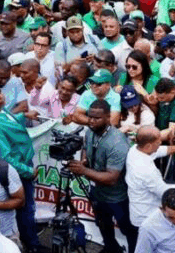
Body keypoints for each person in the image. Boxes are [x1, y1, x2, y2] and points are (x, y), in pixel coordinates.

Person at [0, 82, 40, 251]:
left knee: (26, 209)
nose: (1, 97)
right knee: (26, 210)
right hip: (19, 171)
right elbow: (6, 160)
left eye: (0, 92)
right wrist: (28, 172)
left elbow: (7, 119)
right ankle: (31, 245)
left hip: (22, 163)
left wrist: (24, 115)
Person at [66, 99, 138, 253]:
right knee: (103, 224)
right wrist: (84, 161)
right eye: (90, 116)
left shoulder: (117, 142)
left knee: (128, 229)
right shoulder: (90, 131)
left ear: (108, 118)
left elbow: (112, 179)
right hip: (98, 193)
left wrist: (83, 171)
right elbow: (86, 147)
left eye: (96, 118)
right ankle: (111, 248)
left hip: (118, 197)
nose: (91, 121)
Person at [125, 126, 175, 236]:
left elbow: (160, 150)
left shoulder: (136, 149)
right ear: (148, 145)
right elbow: (167, 193)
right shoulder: (146, 170)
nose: (161, 142)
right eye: (158, 141)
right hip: (147, 220)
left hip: (140, 214)